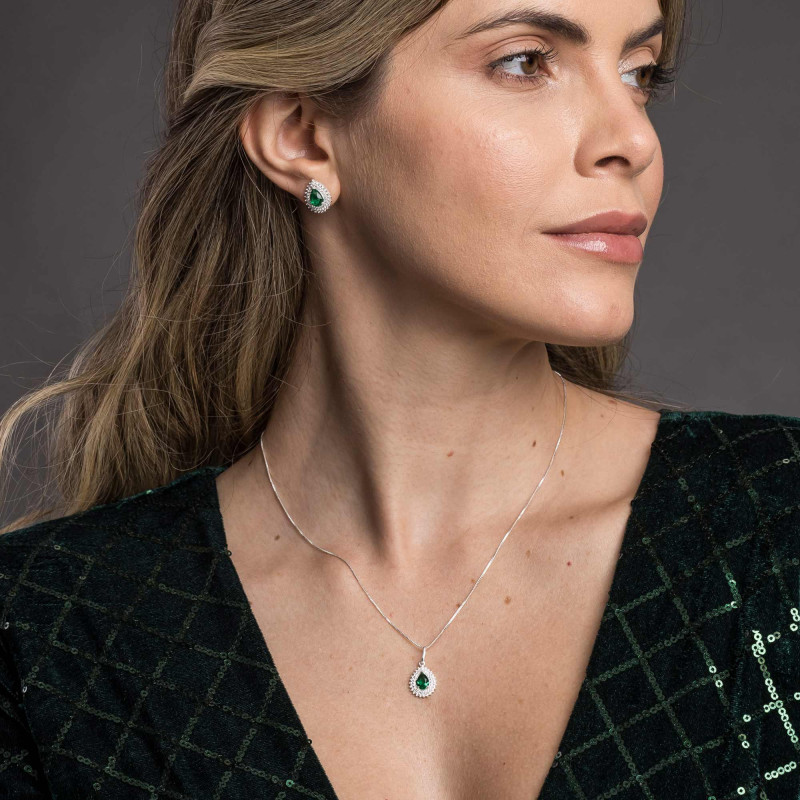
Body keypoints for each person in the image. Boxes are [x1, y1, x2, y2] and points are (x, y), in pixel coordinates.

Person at [1, 0, 798, 798]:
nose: (633, 140)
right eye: (525, 63)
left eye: (637, 74)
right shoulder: (45, 634)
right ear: (303, 139)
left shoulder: (778, 527)